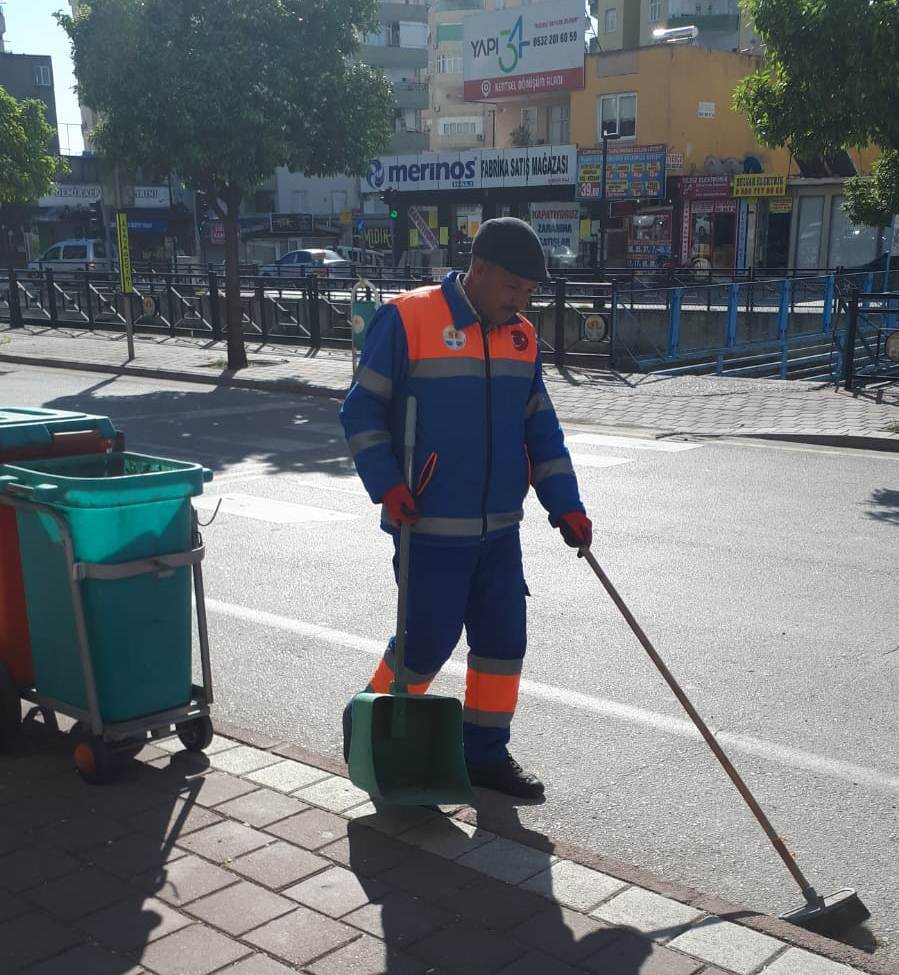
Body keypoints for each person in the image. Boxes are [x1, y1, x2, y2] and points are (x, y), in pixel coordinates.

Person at [339, 217, 592, 799]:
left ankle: (484, 755)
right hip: (427, 526)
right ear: (480, 269)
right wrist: (387, 484)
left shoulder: (521, 338)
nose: (521, 301)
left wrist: (567, 507)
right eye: (514, 287)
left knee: (503, 645)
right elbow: (361, 411)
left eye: (529, 292)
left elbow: (542, 432)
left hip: (500, 530)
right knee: (425, 644)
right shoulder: (408, 319)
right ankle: (369, 720)